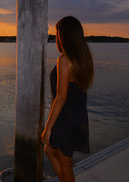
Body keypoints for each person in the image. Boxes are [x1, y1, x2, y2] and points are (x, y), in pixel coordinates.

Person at [41, 16, 94, 182]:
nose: (55, 37)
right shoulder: (83, 57)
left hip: (65, 119)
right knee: (50, 151)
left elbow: (61, 96)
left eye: (57, 33)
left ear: (63, 36)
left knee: (65, 164)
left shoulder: (64, 59)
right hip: (77, 115)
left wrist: (48, 127)